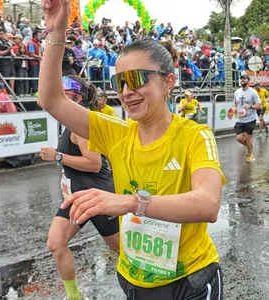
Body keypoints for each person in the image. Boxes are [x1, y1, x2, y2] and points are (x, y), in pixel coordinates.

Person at [38, 2, 226, 299]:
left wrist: (130, 203)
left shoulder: (195, 135)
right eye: (120, 82)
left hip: (189, 281)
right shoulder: (115, 132)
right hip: (133, 279)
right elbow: (50, 99)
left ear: (168, 82)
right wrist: (56, 31)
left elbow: (208, 204)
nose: (126, 91)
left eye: (137, 78)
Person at [41, 75, 119, 300]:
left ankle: (150, 288)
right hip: (77, 197)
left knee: (122, 252)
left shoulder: (81, 127)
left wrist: (56, 156)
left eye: (63, 96)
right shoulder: (71, 123)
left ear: (75, 98)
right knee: (56, 243)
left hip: (98, 196)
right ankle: (75, 297)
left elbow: (94, 164)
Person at [233, 74, 261, 163]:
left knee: (247, 136)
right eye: (241, 79)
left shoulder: (253, 92)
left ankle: (250, 155)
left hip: (250, 119)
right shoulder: (236, 92)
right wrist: (234, 108)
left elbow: (259, 106)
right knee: (239, 138)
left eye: (244, 78)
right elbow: (234, 104)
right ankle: (250, 145)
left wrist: (250, 107)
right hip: (240, 119)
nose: (242, 80)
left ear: (248, 81)